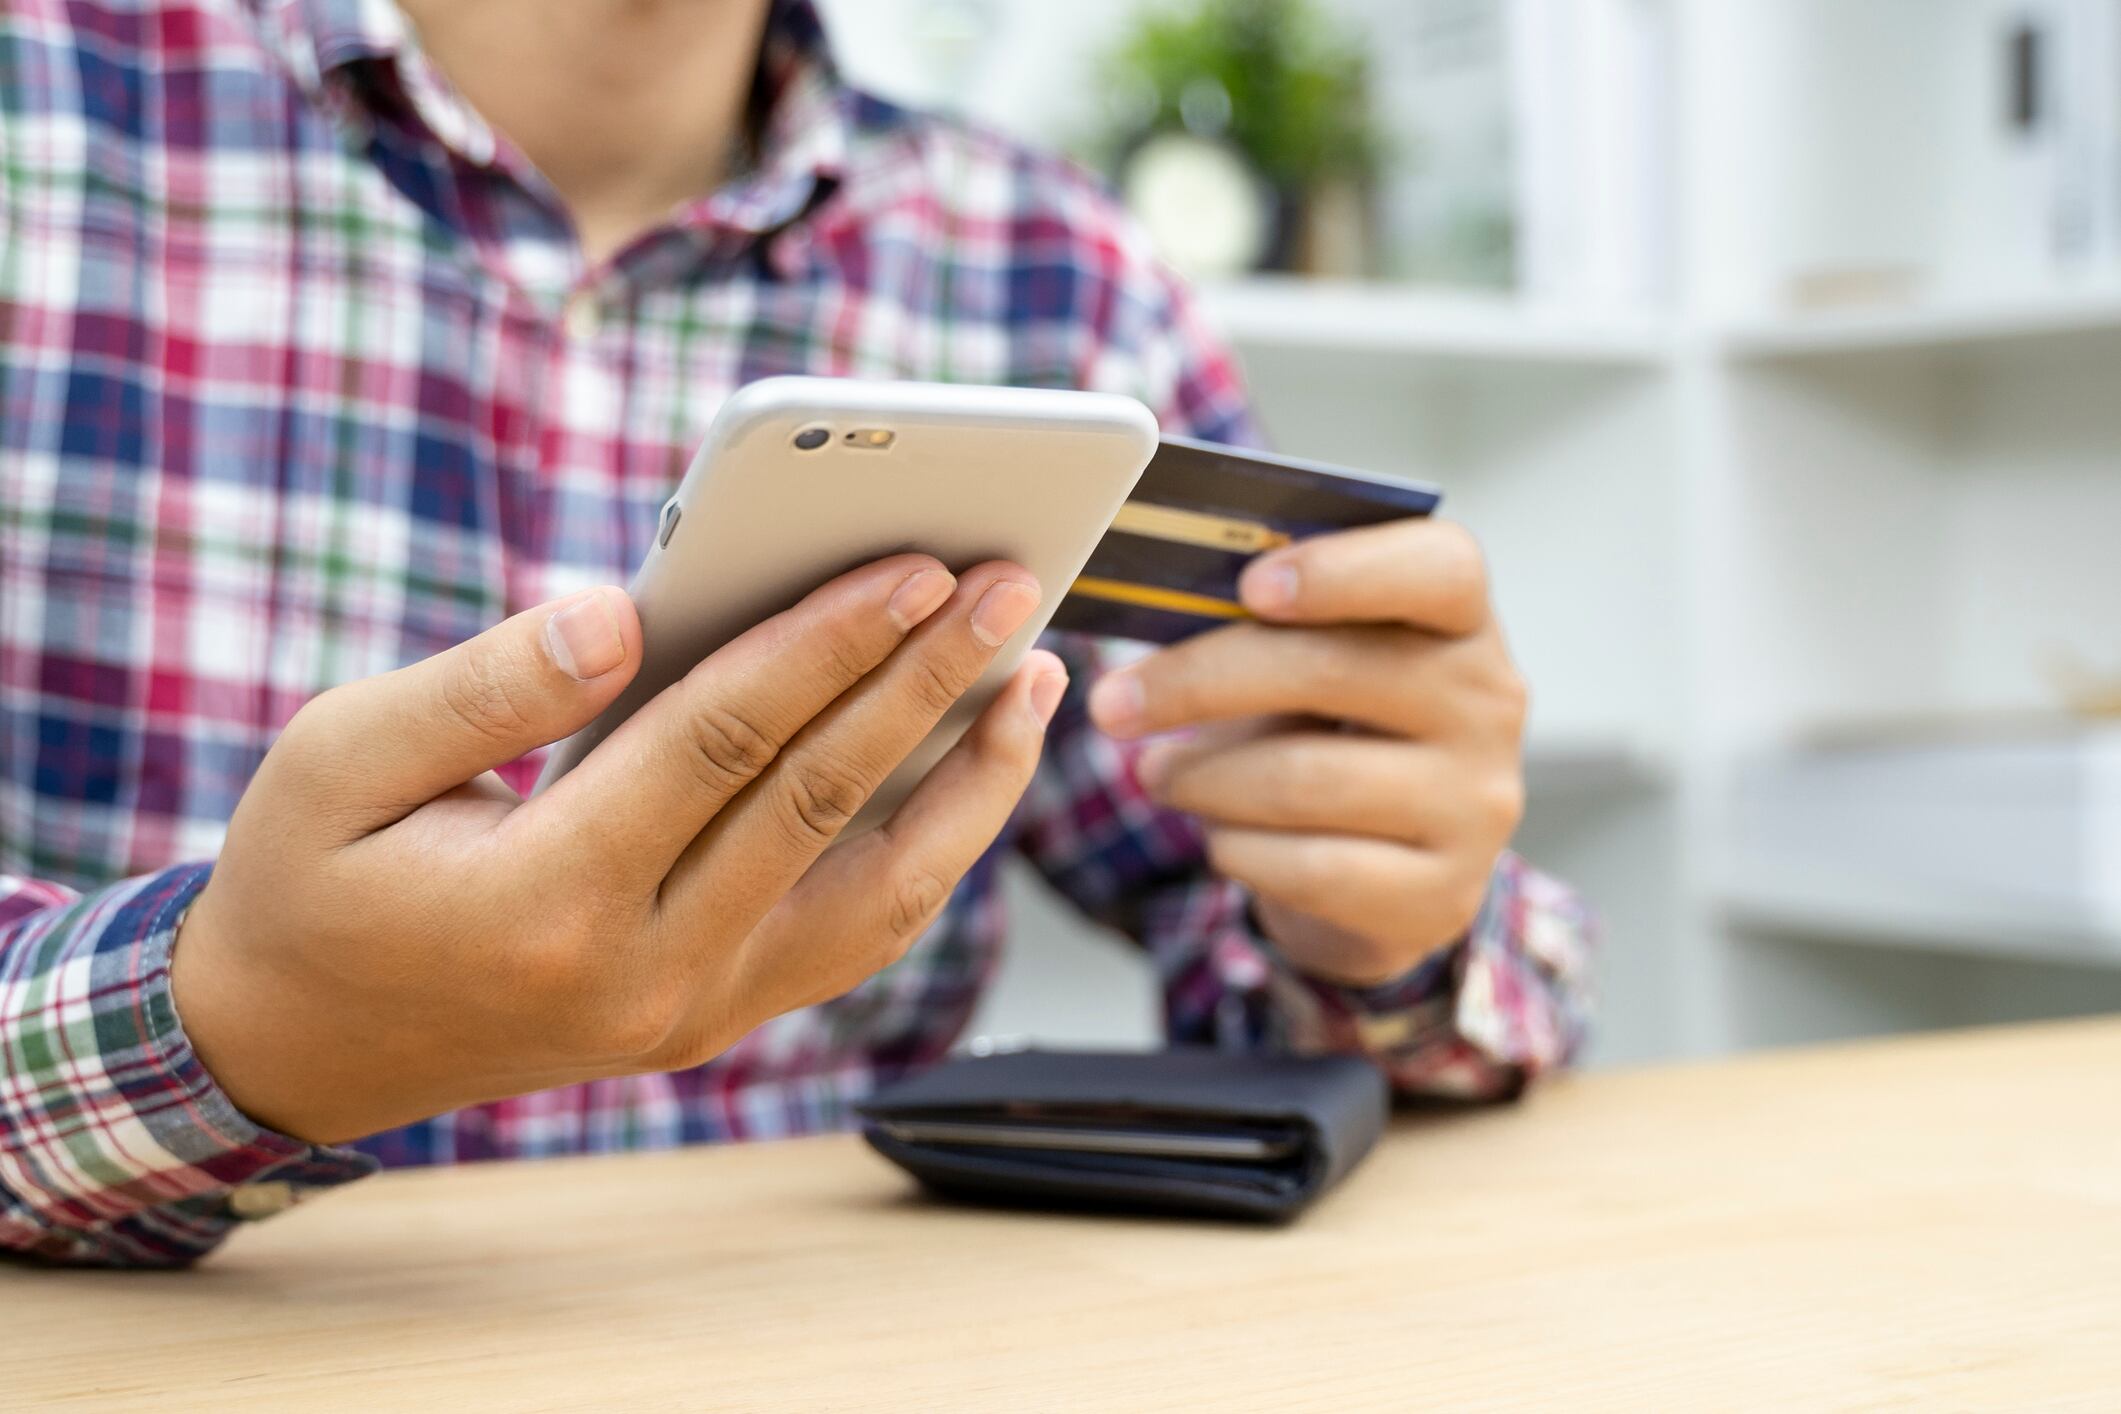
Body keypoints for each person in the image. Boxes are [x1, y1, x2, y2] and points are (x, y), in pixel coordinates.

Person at [0, 0, 1593, 1268]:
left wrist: (1375, 916)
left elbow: (1244, 887)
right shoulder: (42, 110)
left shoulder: (1053, 272)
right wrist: (219, 1025)